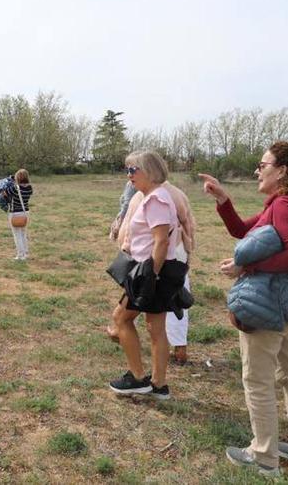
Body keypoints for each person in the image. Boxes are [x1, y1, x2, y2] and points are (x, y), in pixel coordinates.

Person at [199, 142, 288, 477]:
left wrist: (246, 268)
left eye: (262, 164)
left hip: (270, 307)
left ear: (282, 170)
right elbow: (242, 230)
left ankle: (263, 457)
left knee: (257, 380)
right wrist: (223, 200)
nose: (258, 170)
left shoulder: (284, 206)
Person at [108, 151, 187, 400]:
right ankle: (159, 385)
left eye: (133, 170)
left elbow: (161, 241)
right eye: (127, 170)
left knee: (121, 318)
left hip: (151, 271)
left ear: (149, 171)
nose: (129, 176)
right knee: (156, 328)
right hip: (155, 270)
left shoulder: (156, 200)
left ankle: (137, 377)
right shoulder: (154, 197)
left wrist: (149, 277)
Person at [109, 179, 196, 364]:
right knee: (172, 302)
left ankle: (123, 336)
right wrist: (189, 247)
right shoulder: (175, 192)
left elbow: (129, 216)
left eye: (133, 171)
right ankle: (179, 348)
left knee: (140, 303)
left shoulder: (149, 196)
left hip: (153, 258)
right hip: (175, 253)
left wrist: (124, 243)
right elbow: (188, 223)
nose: (131, 176)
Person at [4, 169, 32, 260]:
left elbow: (4, 193)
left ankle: (20, 255)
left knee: (17, 235)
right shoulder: (30, 188)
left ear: (18, 177)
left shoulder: (15, 188)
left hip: (15, 213)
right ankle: (26, 253)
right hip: (25, 213)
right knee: (23, 234)